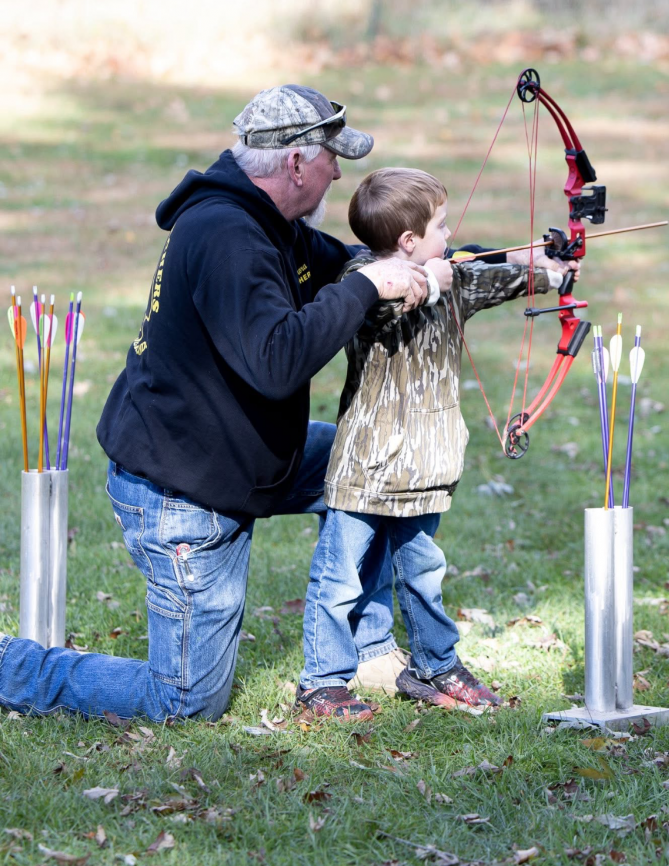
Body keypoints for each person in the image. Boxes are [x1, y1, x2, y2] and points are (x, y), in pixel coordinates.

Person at [0, 84, 575, 722]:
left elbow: (370, 260)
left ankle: (366, 649)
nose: (339, 171)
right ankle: (11, 666)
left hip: (245, 457)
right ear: (296, 163)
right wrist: (367, 287)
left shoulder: (274, 224)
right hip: (184, 492)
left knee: (369, 464)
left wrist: (507, 260)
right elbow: (277, 359)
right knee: (185, 701)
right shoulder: (228, 236)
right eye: (332, 158)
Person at [296, 167, 564, 720]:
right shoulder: (362, 280)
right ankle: (321, 684)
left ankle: (436, 664)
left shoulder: (450, 277)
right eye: (441, 227)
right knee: (340, 577)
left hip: (427, 465)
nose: (450, 236)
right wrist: (436, 279)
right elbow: (391, 302)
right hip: (367, 464)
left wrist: (549, 268)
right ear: (409, 242)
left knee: (422, 571)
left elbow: (490, 275)